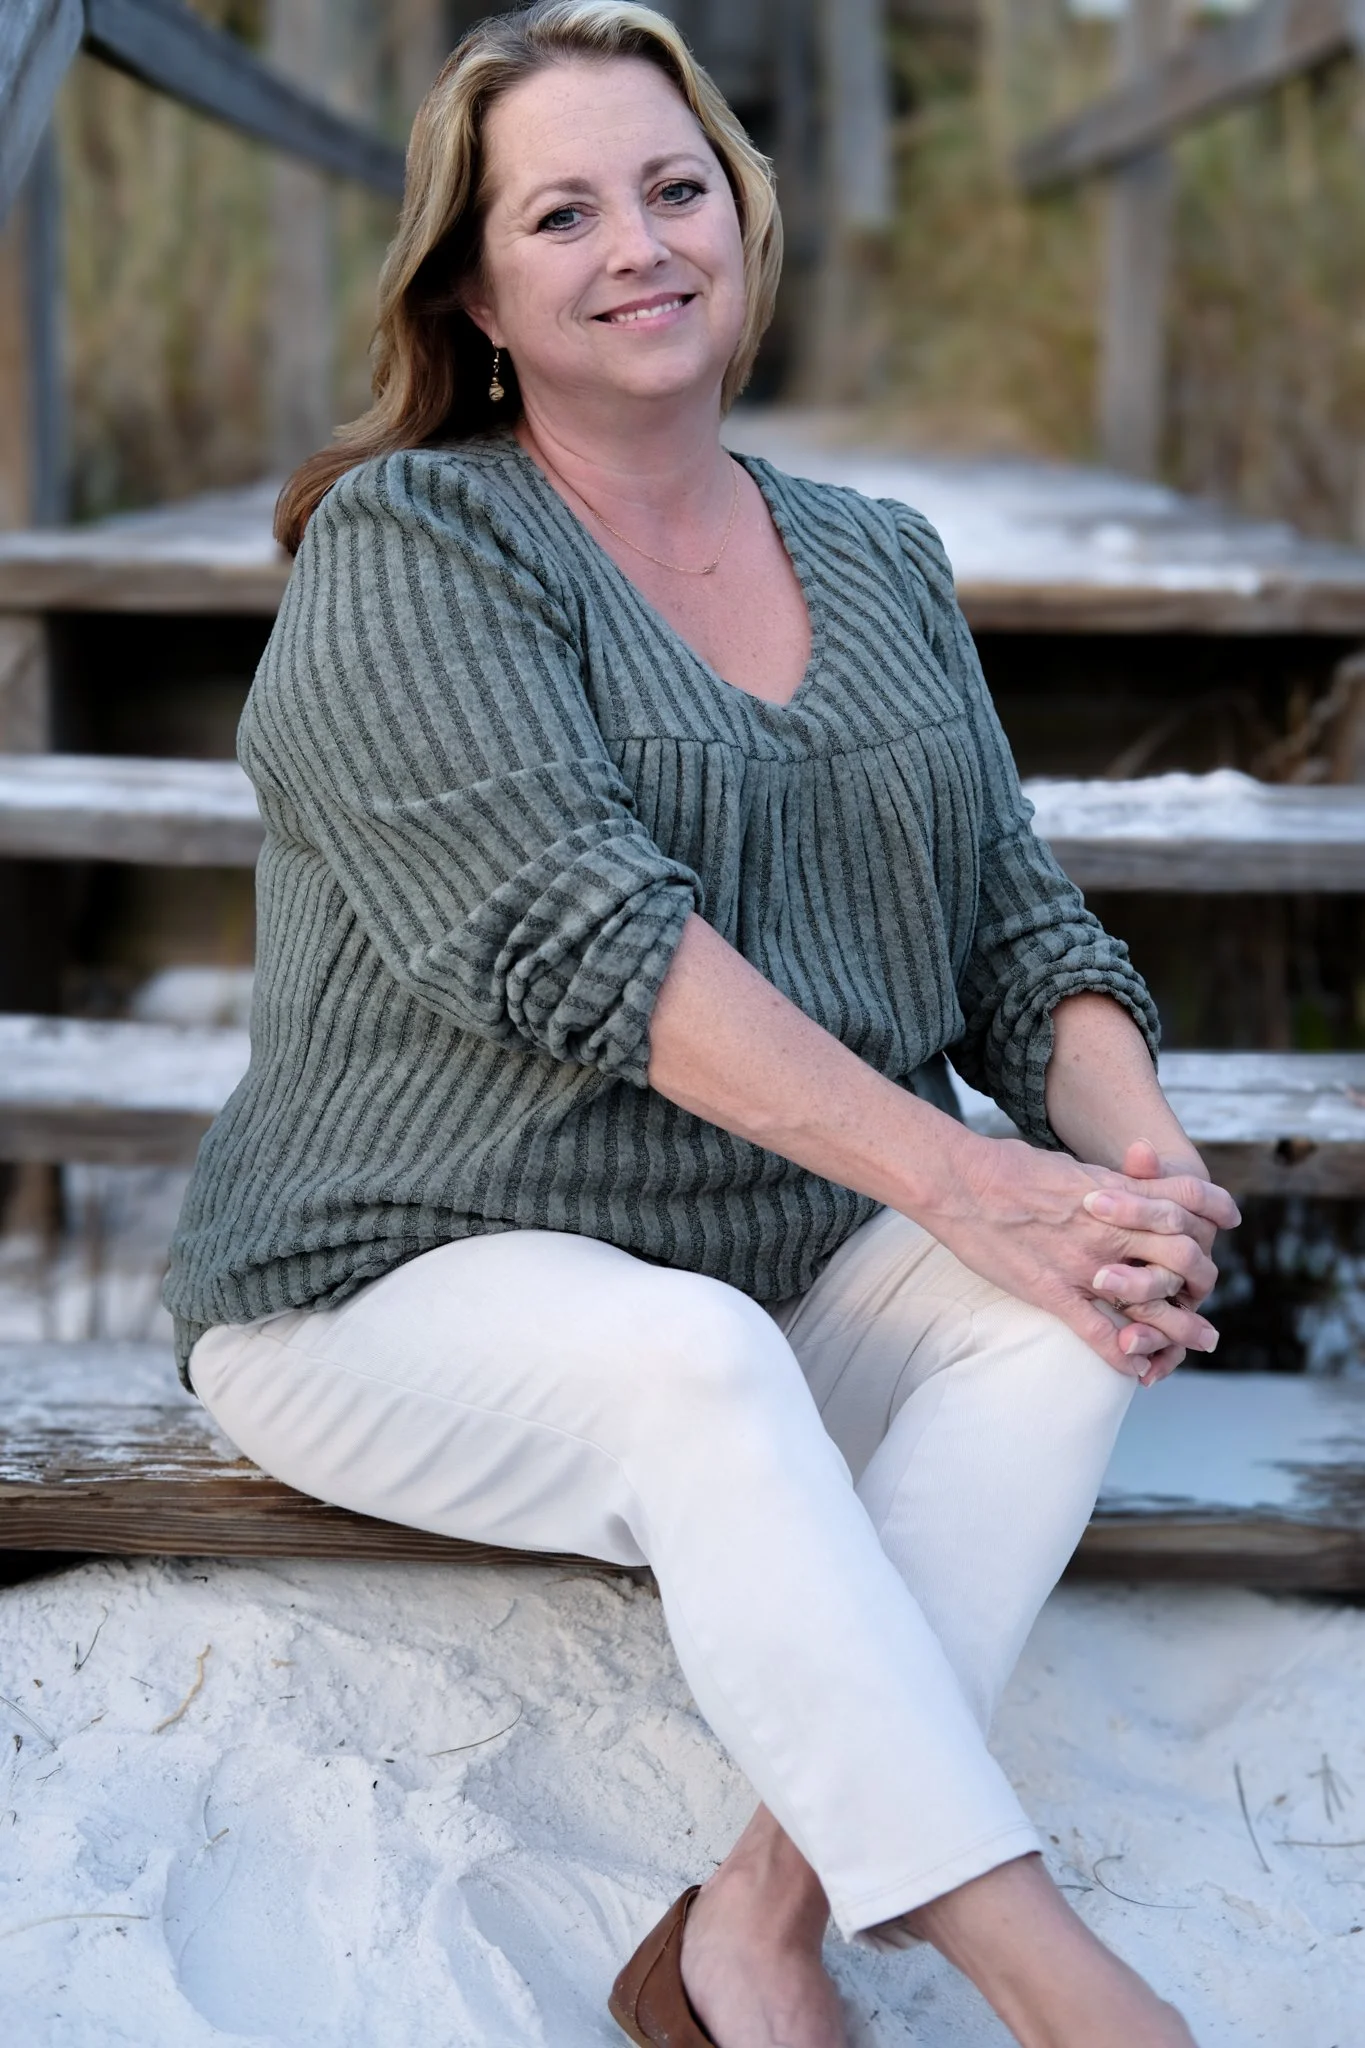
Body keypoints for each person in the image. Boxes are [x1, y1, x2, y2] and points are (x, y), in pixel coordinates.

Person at [165, 7, 1240, 2044]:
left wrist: (1131, 1158)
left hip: (775, 1262)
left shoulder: (879, 556)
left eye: (674, 189)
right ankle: (1067, 1987)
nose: (636, 244)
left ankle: (747, 1931)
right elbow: (582, 937)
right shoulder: (413, 551)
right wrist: (958, 1177)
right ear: (475, 292)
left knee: (1080, 1291)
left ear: (741, 220)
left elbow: (1021, 933)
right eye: (559, 213)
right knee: (698, 1352)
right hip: (381, 1282)